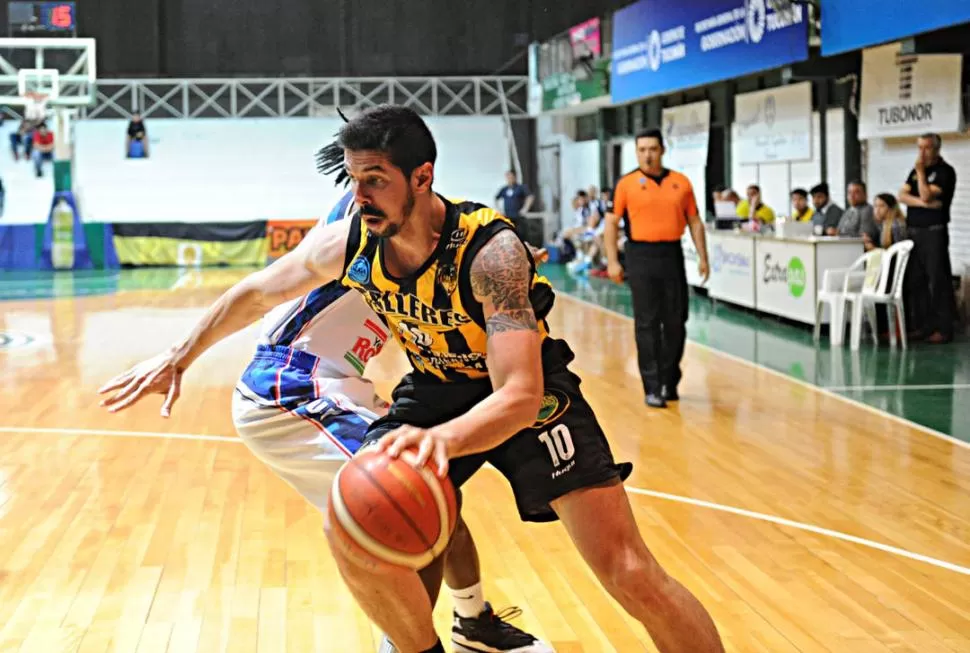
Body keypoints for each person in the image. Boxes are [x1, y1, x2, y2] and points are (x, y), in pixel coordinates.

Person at [322, 106, 723, 652]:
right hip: (436, 387)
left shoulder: (491, 250)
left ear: (422, 176)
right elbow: (257, 291)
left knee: (629, 571)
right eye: (353, 179)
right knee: (369, 529)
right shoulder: (352, 239)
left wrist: (441, 441)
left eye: (374, 180)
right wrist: (184, 351)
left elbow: (520, 393)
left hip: (529, 392)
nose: (359, 196)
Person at [97, 188, 555, 653]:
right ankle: (407, 645)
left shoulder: (425, 233)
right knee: (412, 499)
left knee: (436, 492)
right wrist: (180, 356)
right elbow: (254, 293)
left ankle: (473, 622)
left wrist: (503, 257)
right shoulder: (361, 228)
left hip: (335, 383)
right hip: (289, 388)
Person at [603, 128, 710, 408]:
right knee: (647, 323)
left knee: (676, 321)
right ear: (637, 152)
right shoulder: (626, 184)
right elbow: (612, 224)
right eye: (642, 150)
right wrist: (613, 261)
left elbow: (695, 222)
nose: (647, 155)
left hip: (671, 254)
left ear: (662, 150)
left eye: (652, 149)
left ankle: (669, 379)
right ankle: (652, 386)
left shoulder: (681, 182)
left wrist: (703, 257)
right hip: (640, 255)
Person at [898, 132, 957, 344]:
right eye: (919, 148)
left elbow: (924, 193)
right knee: (917, 281)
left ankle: (944, 328)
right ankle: (923, 326)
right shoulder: (914, 172)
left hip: (934, 232)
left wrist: (922, 174)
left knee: (937, 280)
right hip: (913, 232)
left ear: (936, 149)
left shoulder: (945, 172)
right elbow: (901, 196)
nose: (921, 153)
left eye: (926, 148)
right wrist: (925, 204)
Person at [494, 169, 533, 234]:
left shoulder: (521, 187)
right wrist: (499, 210)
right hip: (507, 217)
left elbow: (530, 197)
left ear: (514, 177)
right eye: (507, 177)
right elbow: (496, 198)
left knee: (520, 234)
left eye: (510, 177)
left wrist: (525, 208)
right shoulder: (504, 189)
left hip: (518, 217)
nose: (509, 179)